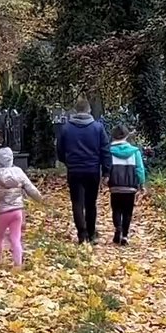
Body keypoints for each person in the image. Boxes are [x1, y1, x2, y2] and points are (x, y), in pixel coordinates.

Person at [0, 147, 42, 268]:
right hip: (17, 211)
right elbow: (31, 189)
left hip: (3, 212)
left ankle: (0, 261)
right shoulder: (19, 172)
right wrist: (41, 199)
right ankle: (18, 264)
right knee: (16, 237)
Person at [56, 98, 110, 243]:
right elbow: (105, 150)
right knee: (91, 203)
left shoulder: (66, 128)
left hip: (74, 170)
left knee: (77, 202)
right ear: (89, 110)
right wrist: (106, 171)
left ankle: (82, 234)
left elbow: (60, 149)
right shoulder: (98, 128)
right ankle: (92, 234)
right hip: (92, 170)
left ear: (75, 110)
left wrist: (67, 162)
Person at [108, 125, 147, 245]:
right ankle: (125, 235)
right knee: (127, 212)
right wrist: (142, 183)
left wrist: (104, 180)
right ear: (126, 136)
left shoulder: (109, 151)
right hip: (130, 187)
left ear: (113, 136)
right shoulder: (135, 152)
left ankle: (117, 228)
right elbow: (139, 169)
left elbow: (106, 168)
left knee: (116, 210)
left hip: (115, 186)